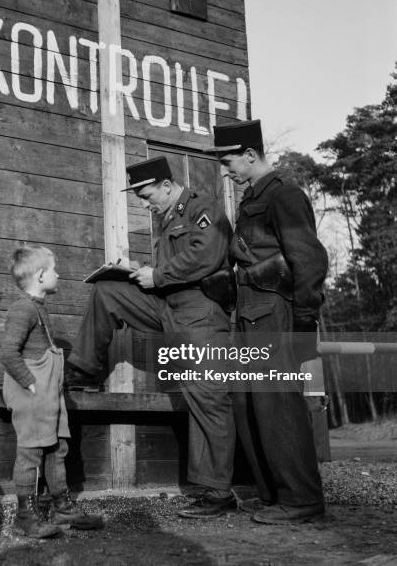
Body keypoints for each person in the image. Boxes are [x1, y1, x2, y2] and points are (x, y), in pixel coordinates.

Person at [66, 156, 238, 518]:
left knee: (208, 400)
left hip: (200, 314)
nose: (144, 203)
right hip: (167, 307)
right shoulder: (166, 218)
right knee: (107, 291)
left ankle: (218, 493)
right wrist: (138, 274)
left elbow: (207, 254)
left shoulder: (202, 208)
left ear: (165, 185)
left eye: (146, 195)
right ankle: (81, 370)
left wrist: (157, 275)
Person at [206, 119, 328, 524]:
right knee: (250, 404)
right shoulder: (252, 198)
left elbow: (308, 261)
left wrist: (304, 323)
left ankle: (302, 498)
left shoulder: (284, 195)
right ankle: (277, 495)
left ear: (249, 155)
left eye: (229, 162)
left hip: (274, 315)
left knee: (279, 406)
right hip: (250, 314)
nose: (227, 170)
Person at [1, 245, 103, 538]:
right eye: (54, 269)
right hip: (33, 392)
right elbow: (8, 353)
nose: (58, 274)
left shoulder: (38, 308)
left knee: (57, 448)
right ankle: (23, 517)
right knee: (30, 452)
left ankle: (62, 508)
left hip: (48, 393)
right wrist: (30, 383)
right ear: (42, 275)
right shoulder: (22, 308)